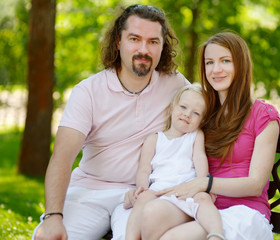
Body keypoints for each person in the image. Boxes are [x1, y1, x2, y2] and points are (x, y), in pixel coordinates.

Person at [32, 4, 189, 240]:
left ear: (162, 46)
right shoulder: (88, 91)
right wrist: (53, 215)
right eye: (134, 39)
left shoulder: (176, 86)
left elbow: (214, 112)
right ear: (118, 42)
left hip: (143, 193)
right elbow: (62, 156)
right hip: (89, 190)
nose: (143, 49)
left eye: (153, 42)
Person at [140, 31, 280, 240]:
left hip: (244, 211)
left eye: (225, 61)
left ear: (241, 65)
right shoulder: (202, 114)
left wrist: (205, 183)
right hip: (201, 204)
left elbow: (255, 184)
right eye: (209, 62)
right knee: (151, 215)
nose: (216, 69)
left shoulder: (263, 115)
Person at [123, 84, 224, 240]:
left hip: (187, 189)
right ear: (172, 108)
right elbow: (144, 168)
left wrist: (203, 182)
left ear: (201, 120)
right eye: (183, 107)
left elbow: (199, 158)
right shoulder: (155, 138)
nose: (187, 114)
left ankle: (216, 233)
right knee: (143, 199)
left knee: (203, 200)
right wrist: (142, 186)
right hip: (159, 190)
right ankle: (130, 237)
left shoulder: (195, 135)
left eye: (196, 113)